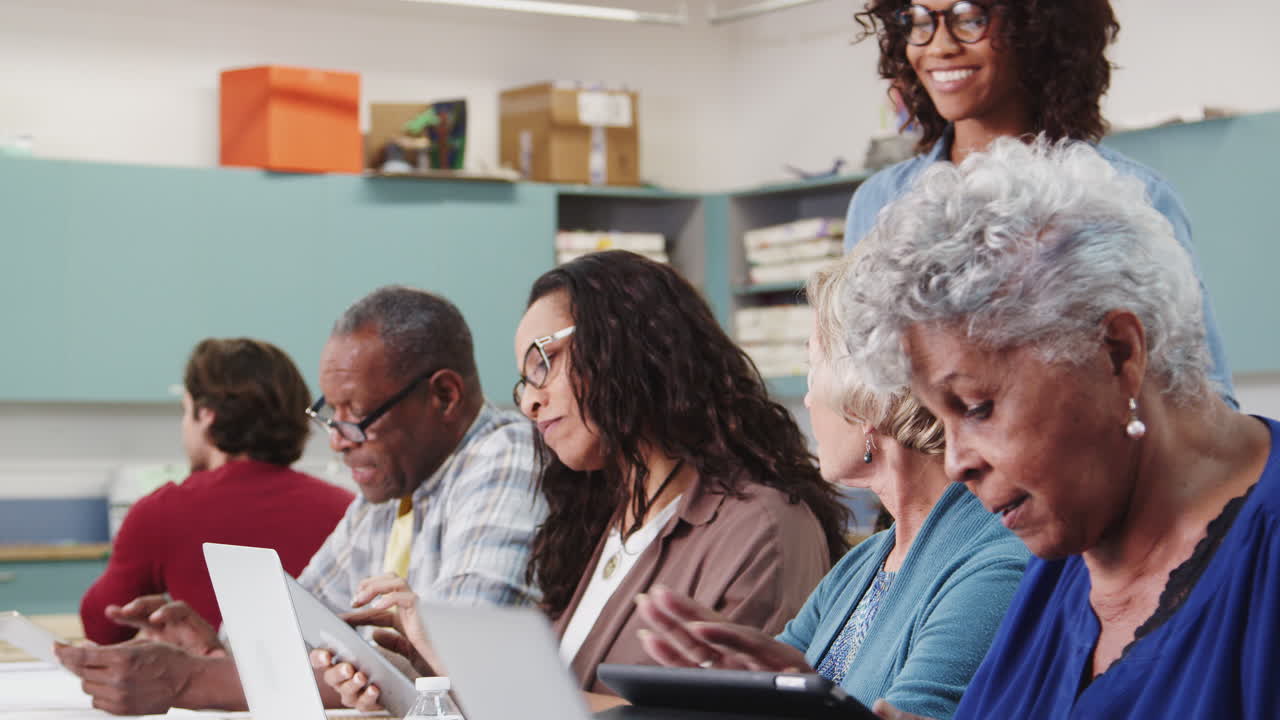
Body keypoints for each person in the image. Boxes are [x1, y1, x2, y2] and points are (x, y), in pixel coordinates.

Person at [841, 138, 1276, 720]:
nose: (955, 462)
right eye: (939, 421)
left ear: (1116, 352)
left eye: (976, 407)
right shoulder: (1064, 551)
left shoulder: (1260, 571)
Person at [319, 250, 851, 712]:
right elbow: (554, 697)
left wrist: (450, 654)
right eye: (524, 378)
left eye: (543, 363)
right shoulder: (610, 516)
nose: (528, 400)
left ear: (629, 344)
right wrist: (423, 666)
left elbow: (708, 719)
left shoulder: (761, 527)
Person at [55, 286, 546, 716]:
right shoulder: (389, 491)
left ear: (443, 396)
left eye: (356, 415)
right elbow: (302, 622)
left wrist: (191, 679)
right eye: (330, 414)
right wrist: (212, 650)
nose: (336, 440)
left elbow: (453, 664)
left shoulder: (506, 456)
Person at [633, 256, 1028, 719]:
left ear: (864, 394)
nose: (806, 397)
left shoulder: (996, 564)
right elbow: (770, 687)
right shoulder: (863, 564)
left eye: (812, 365)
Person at [845, 0, 1237, 407]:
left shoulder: (1131, 195)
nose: (940, 45)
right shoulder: (879, 203)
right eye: (918, 21)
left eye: (970, 18)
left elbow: (1204, 396)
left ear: (1036, 27)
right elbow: (855, 386)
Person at [79, 338, 353, 645]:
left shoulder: (162, 511)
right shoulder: (347, 509)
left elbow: (103, 626)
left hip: (210, 688)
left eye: (185, 411)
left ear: (207, 414)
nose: (184, 428)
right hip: (328, 690)